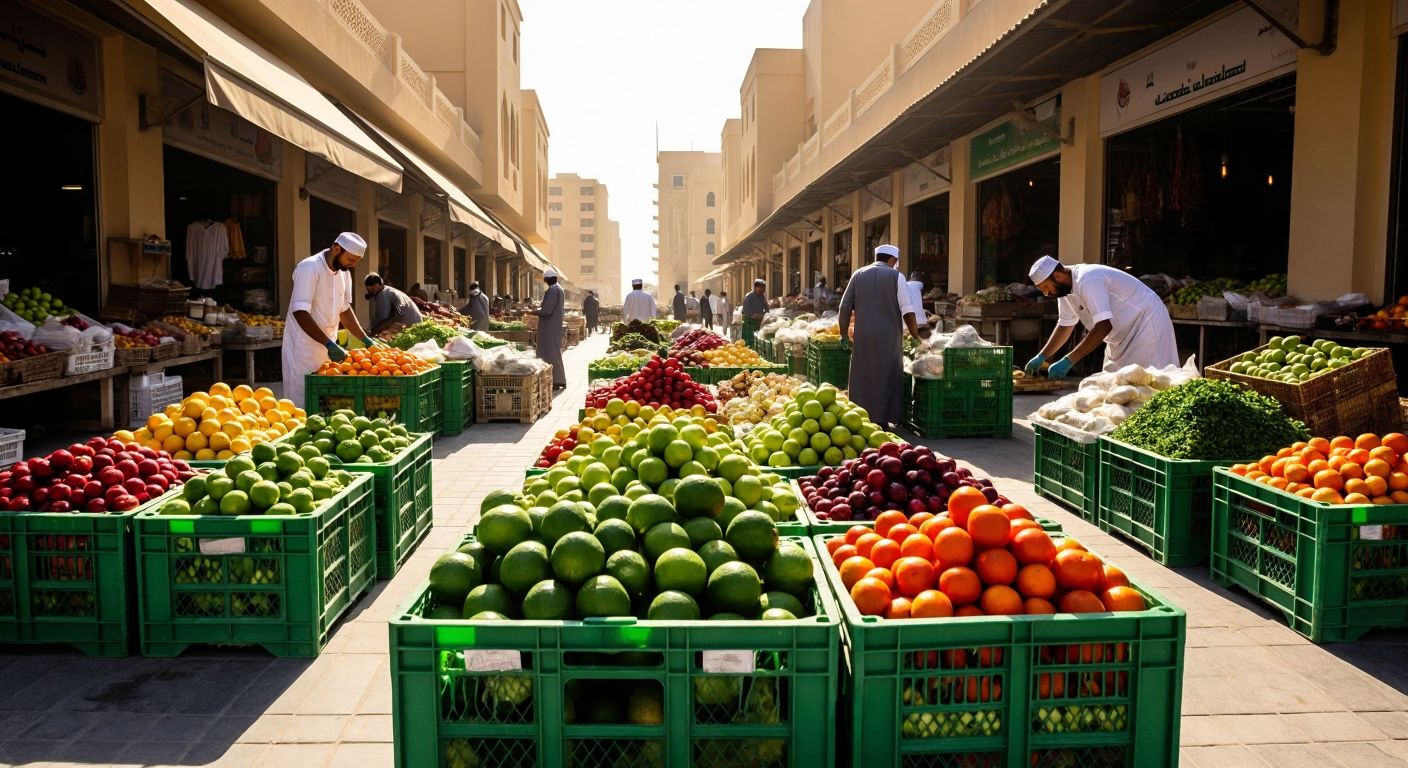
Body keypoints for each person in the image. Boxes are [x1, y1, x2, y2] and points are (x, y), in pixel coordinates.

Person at [1025, 255, 1179, 378]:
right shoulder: (1063, 291)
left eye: (1046, 287)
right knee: (1114, 387)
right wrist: (1042, 356)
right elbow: (1065, 325)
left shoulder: (1088, 279)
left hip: (1146, 324)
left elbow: (1104, 326)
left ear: (1058, 276)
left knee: (1150, 382)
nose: (1046, 294)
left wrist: (1068, 360)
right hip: (1118, 338)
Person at [281, 232, 377, 409]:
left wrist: (365, 339)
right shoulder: (309, 268)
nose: (354, 265)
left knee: (326, 404)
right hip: (303, 351)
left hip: (330, 349)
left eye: (357, 261)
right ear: (337, 249)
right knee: (301, 405)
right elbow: (300, 312)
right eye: (351, 259)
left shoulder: (344, 273)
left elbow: (344, 309)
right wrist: (328, 344)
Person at [838, 244, 923, 428]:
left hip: (863, 336)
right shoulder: (896, 276)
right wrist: (915, 334)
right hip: (889, 337)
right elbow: (907, 310)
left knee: (862, 374)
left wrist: (843, 335)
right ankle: (883, 419)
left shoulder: (858, 274)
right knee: (887, 374)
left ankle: (860, 417)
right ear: (893, 260)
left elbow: (844, 307)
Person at [534, 268, 567, 389]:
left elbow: (547, 310)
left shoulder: (553, 290)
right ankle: (556, 380)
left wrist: (534, 311)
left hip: (549, 326)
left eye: (545, 279)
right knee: (553, 352)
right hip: (553, 325)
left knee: (551, 352)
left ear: (548, 279)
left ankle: (557, 380)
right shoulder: (558, 289)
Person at [741, 279, 769, 346]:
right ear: (755, 287)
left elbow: (766, 307)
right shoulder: (748, 297)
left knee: (758, 342)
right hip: (750, 324)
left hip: (759, 322)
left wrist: (767, 315)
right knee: (750, 342)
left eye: (764, 288)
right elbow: (748, 313)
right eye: (761, 288)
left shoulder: (762, 296)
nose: (763, 290)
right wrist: (761, 316)